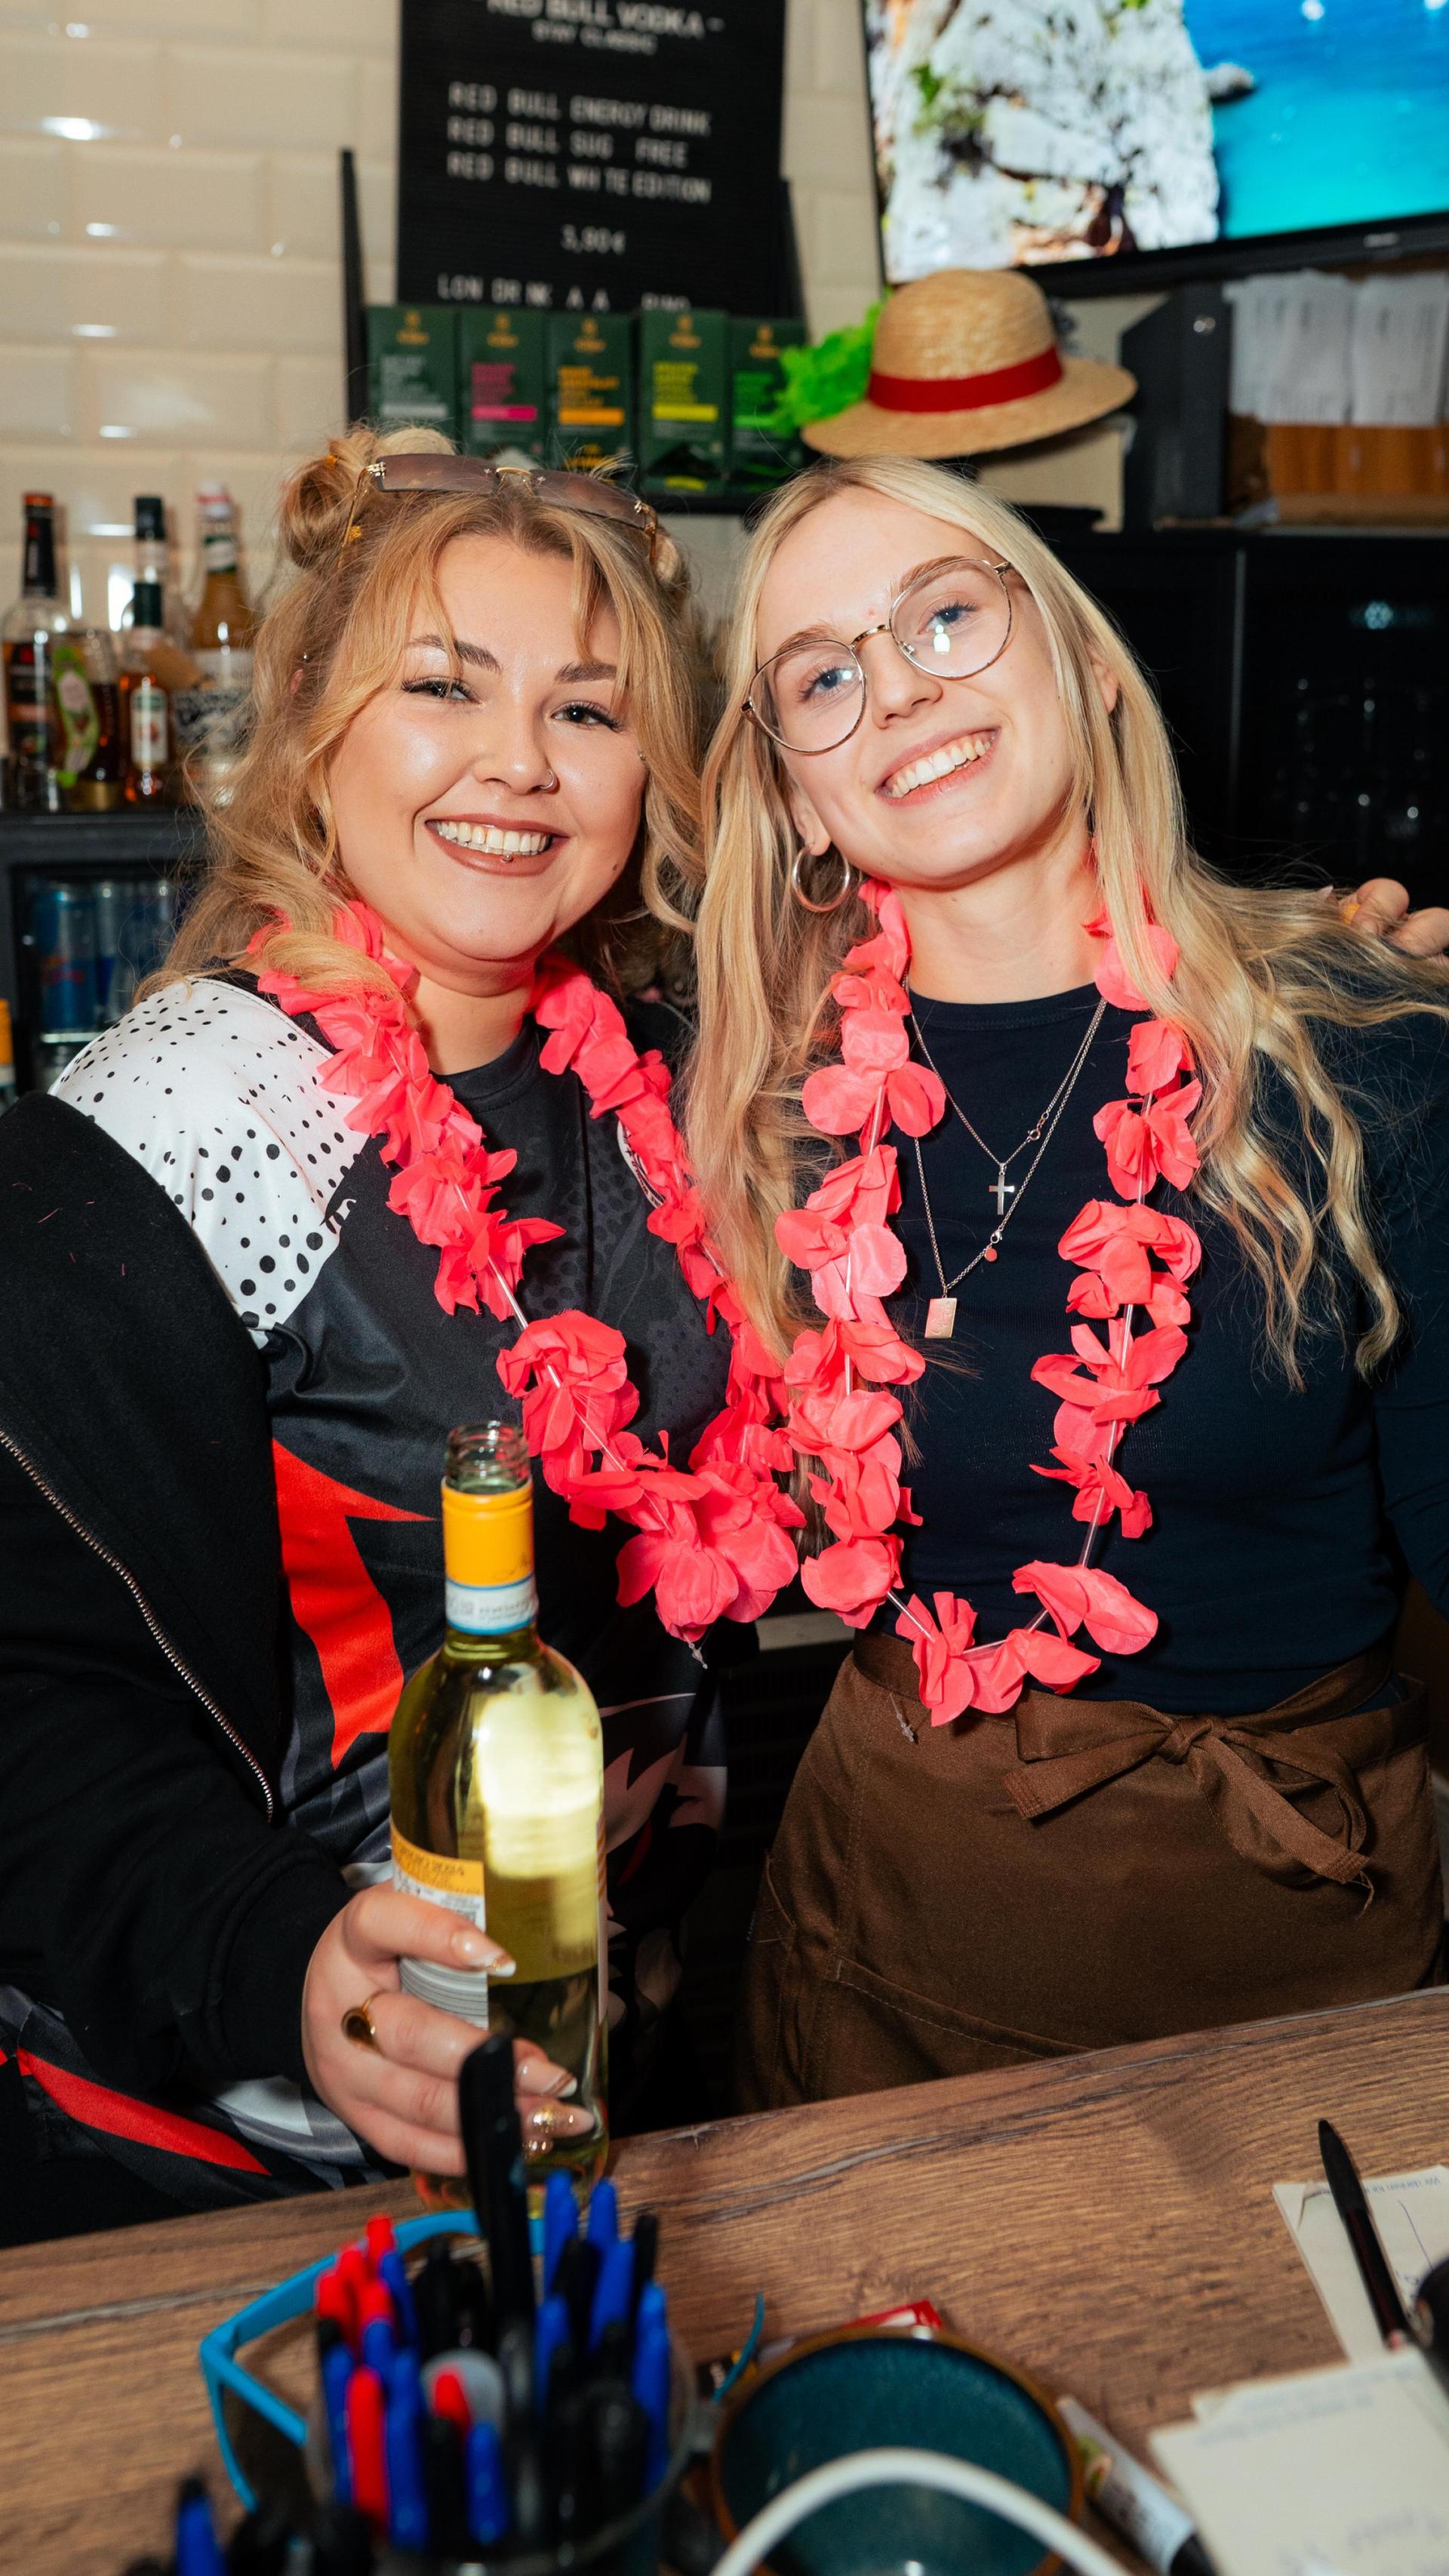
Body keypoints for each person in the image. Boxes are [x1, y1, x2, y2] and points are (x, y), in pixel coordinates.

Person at [0, 429, 748, 2240]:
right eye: (441, 688)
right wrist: (281, 1962)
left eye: (587, 708)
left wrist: (1325, 979)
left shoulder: (673, 1087)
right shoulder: (151, 1147)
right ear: (314, 732)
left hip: (602, 2042)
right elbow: (25, 1692)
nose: (518, 763)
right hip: (245, 2128)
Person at [685, 454, 1449, 2108]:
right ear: (803, 795)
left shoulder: (1361, 1059)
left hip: (1292, 1946)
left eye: (947, 615)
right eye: (824, 673)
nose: (895, 691)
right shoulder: (763, 1122)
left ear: (1088, 663)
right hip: (886, 1950)